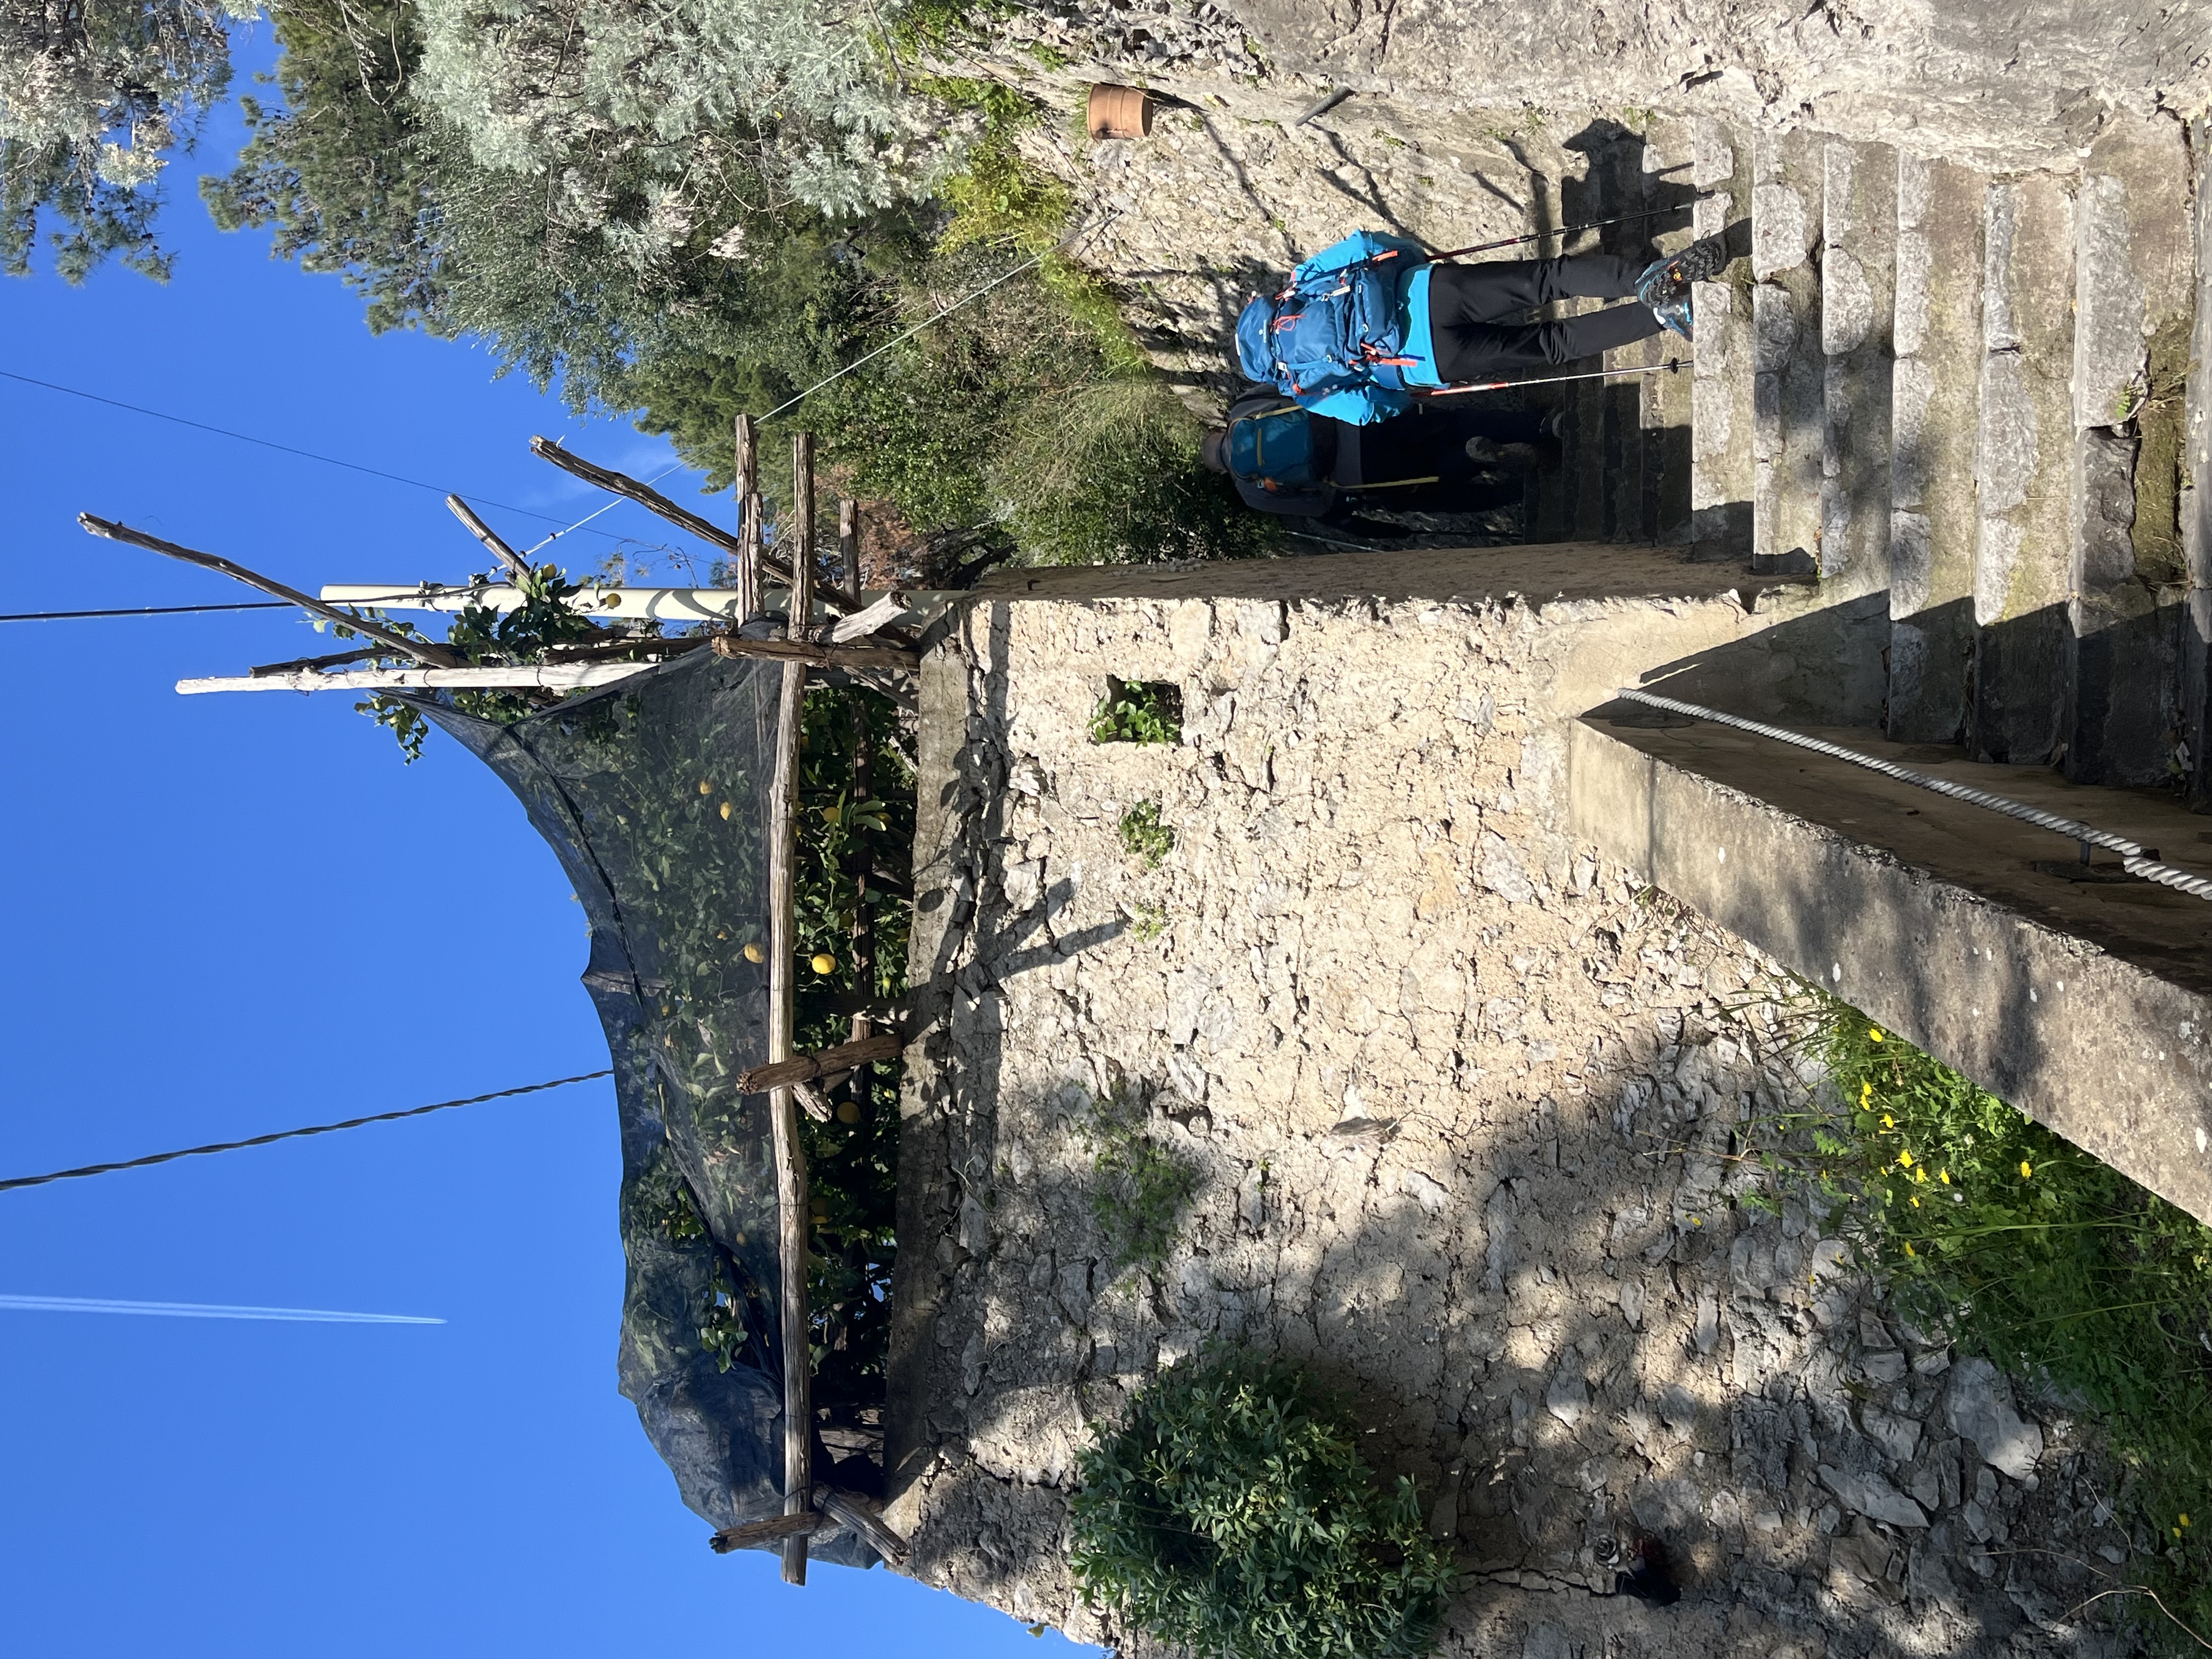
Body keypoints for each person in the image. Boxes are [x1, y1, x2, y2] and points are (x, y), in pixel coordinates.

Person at [1234, 229, 1730, 425]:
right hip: (1430, 290)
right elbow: (1367, 244)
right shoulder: (1301, 284)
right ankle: (1645, 278)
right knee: (1547, 280)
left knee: (1555, 344)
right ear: (1269, 311)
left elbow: (1366, 411)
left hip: (1426, 362)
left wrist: (1405, 394)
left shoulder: (1303, 385)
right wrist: (1414, 265)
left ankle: (1659, 313)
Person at [1199, 389, 1559, 538]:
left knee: (1429, 473)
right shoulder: (1243, 409)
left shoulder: (1251, 493)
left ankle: (1471, 459)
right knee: (1453, 423)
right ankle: (1540, 427)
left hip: (1359, 472)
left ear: (1222, 472)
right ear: (1222, 429)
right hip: (1355, 417)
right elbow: (1297, 388)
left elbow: (1315, 503)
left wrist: (1360, 514)